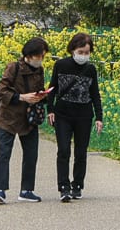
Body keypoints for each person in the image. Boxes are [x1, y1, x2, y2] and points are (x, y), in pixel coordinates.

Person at [47, 32, 104, 202]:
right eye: (81, 52)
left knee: (81, 152)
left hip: (84, 116)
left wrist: (99, 117)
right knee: (63, 150)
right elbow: (52, 89)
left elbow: (95, 94)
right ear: (73, 50)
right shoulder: (61, 65)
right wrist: (50, 110)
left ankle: (77, 185)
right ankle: (63, 186)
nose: (83, 56)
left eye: (87, 53)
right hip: (63, 114)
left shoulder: (91, 69)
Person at [0, 36, 50, 204]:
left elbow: (38, 89)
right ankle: (0, 191)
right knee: (5, 153)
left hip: (29, 118)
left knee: (31, 154)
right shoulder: (13, 67)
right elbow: (2, 92)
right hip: (8, 117)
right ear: (29, 55)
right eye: (39, 56)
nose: (41, 60)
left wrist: (42, 95)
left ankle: (27, 190)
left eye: (43, 57)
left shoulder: (39, 70)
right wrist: (23, 97)